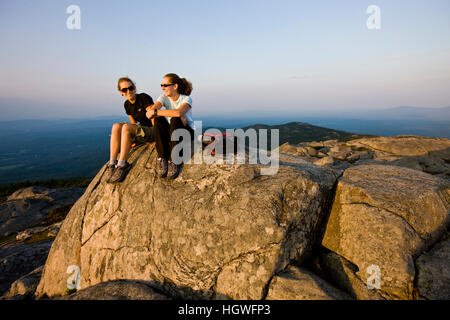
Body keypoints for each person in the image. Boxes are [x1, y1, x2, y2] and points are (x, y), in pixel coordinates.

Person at [106, 77, 155, 183]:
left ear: (135, 88)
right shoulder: (127, 105)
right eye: (124, 90)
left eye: (130, 88)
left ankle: (122, 165)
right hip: (143, 132)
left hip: (153, 130)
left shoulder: (143, 98)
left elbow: (154, 117)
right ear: (121, 92)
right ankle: (112, 164)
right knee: (116, 126)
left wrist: (157, 138)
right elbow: (134, 124)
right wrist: (130, 139)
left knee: (126, 127)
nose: (128, 91)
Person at [146, 73, 195, 179]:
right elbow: (151, 112)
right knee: (158, 119)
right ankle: (162, 158)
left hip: (187, 132)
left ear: (175, 86)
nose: (163, 88)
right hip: (172, 131)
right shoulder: (163, 97)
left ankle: (175, 159)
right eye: (161, 85)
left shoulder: (186, 99)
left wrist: (157, 112)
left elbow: (178, 113)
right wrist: (156, 112)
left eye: (165, 85)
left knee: (176, 119)